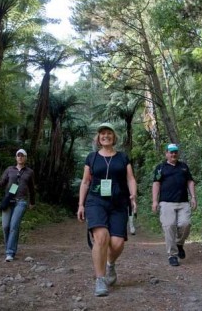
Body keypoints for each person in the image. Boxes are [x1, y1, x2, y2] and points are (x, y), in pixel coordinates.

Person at [77, 123, 137, 297]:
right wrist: (81, 204)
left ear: (114, 137)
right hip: (96, 201)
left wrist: (133, 195)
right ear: (98, 138)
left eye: (109, 133)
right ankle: (100, 279)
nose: (106, 136)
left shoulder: (123, 157)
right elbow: (85, 181)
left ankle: (110, 264)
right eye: (102, 133)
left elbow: (130, 178)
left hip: (119, 202)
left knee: (117, 243)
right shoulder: (92, 157)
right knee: (101, 237)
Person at [152, 143, 197, 266]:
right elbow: (156, 184)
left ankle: (179, 244)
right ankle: (172, 255)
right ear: (166, 153)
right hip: (166, 203)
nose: (173, 154)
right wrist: (155, 201)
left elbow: (190, 181)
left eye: (175, 152)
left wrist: (193, 197)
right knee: (169, 226)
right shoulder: (160, 168)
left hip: (183, 202)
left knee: (185, 224)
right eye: (171, 152)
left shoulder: (183, 167)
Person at [0, 149, 35, 262]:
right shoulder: (10, 170)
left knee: (14, 226)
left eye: (22, 155)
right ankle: (8, 248)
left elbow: (31, 188)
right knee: (5, 226)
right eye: (18, 155)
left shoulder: (29, 172)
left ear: (25, 158)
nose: (20, 157)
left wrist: (32, 202)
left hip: (21, 201)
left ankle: (10, 252)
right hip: (9, 200)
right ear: (16, 157)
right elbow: (2, 182)